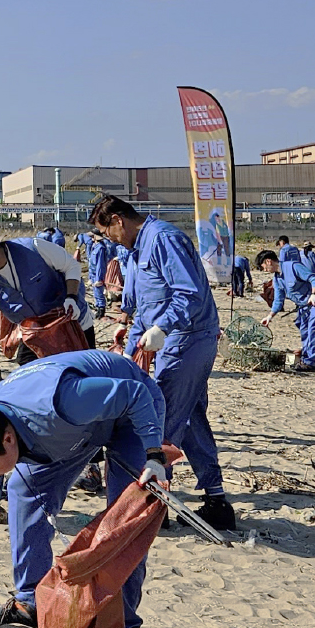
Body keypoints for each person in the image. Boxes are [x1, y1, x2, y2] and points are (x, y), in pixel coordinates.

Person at [0, 352, 173, 628]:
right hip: (72, 431)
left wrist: (154, 453)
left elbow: (135, 394)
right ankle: (31, 602)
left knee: (126, 520)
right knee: (22, 491)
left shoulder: (62, 401)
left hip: (132, 409)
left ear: (8, 439)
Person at [90, 194, 233, 530]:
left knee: (162, 418)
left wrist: (163, 327)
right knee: (191, 419)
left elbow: (189, 293)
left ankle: (155, 506)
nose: (110, 240)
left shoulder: (163, 239)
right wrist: (131, 346)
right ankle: (216, 500)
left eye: (108, 232)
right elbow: (148, 303)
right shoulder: (138, 249)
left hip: (188, 338)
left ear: (118, 220)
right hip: (170, 340)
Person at [0, 222, 90, 393]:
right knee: (31, 373)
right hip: (36, 333)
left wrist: (71, 297)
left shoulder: (34, 248)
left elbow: (71, 265)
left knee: (83, 376)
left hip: (73, 321)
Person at [258, 247, 315, 373]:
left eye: (264, 267)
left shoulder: (293, 266)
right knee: (304, 331)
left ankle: (310, 363)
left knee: (313, 331)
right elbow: (278, 300)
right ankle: (305, 359)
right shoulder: (277, 279)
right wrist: (269, 316)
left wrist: (314, 294)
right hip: (302, 307)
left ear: (268, 261)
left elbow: (313, 278)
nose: (265, 270)